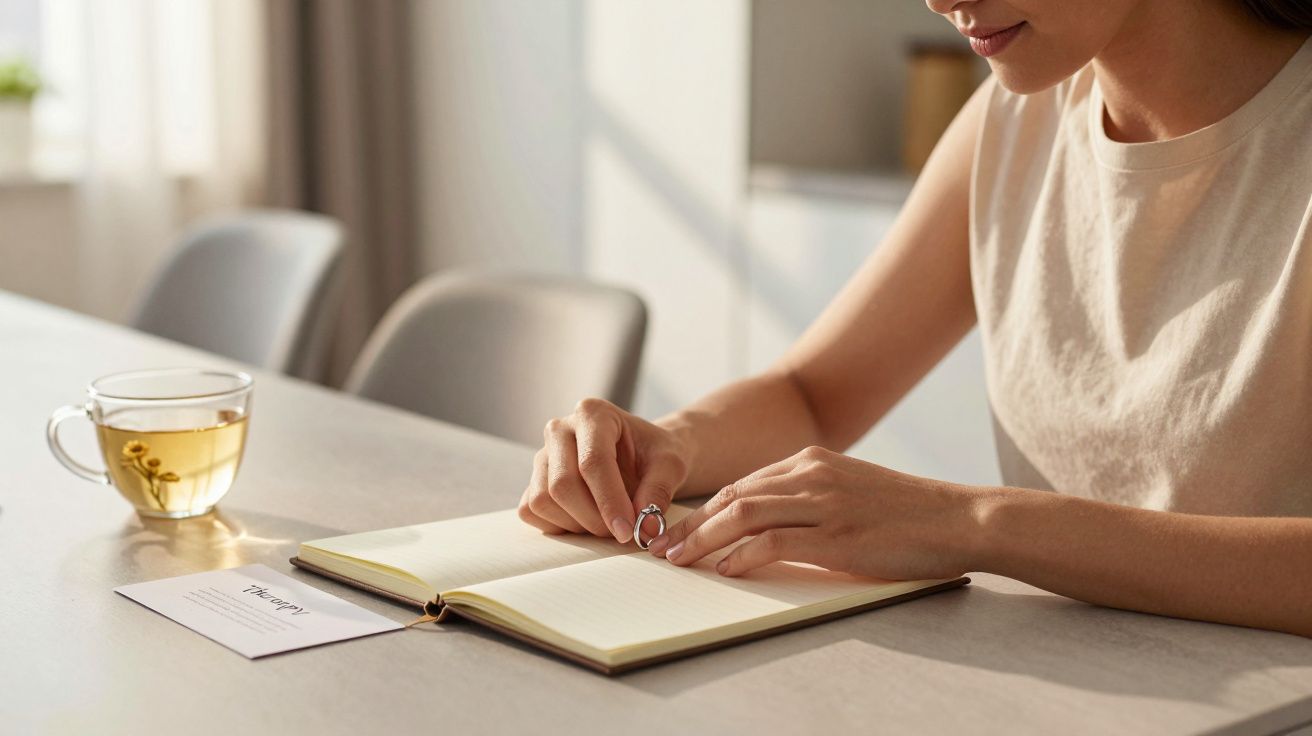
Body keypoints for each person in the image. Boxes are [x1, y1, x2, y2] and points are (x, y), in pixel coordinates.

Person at [519, 0, 1312, 638]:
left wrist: (974, 522)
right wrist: (673, 444)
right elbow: (815, 393)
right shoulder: (1009, 123)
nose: (940, 0)